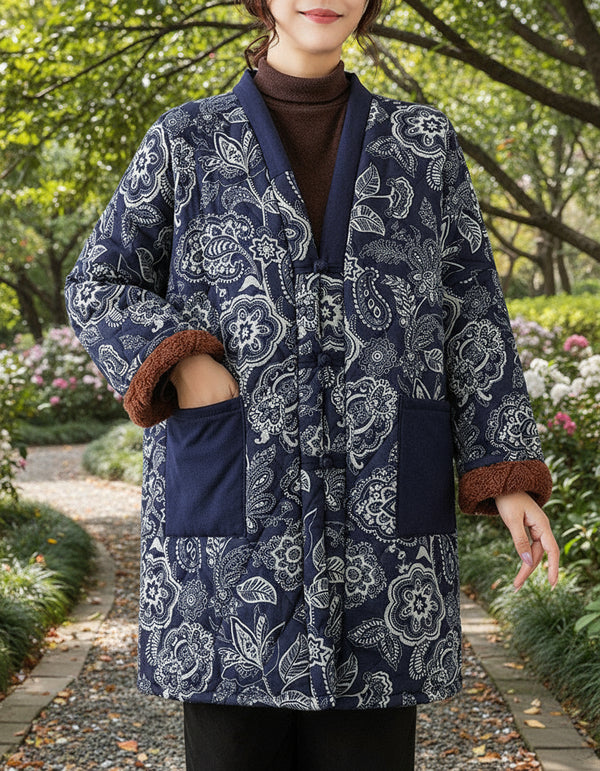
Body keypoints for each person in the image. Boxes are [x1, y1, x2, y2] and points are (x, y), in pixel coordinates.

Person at [64, 1, 560, 768]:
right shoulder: (187, 140)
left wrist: (506, 473)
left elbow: (474, 317)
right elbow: (97, 282)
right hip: (231, 545)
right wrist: (185, 360)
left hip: (382, 542)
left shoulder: (424, 146)